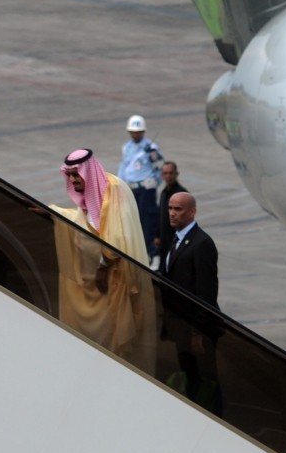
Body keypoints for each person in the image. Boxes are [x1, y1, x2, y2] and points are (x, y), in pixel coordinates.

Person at [48, 148, 157, 374]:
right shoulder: (92, 196)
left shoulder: (114, 190)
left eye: (77, 175)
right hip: (105, 287)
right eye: (70, 176)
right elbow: (84, 220)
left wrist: (104, 265)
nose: (73, 180)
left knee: (125, 345)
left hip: (120, 283)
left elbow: (118, 236)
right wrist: (52, 212)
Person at [160, 191, 221, 414]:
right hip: (179, 326)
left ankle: (212, 419)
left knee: (205, 380)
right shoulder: (174, 239)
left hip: (196, 329)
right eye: (170, 208)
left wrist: (198, 333)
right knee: (189, 375)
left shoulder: (202, 243)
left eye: (178, 209)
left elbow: (207, 292)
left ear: (192, 212)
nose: (172, 214)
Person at [117, 114, 163, 265]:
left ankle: (152, 253)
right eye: (132, 131)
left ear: (143, 132)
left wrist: (154, 183)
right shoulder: (127, 147)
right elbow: (124, 166)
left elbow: (159, 168)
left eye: (138, 131)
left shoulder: (151, 148)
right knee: (132, 220)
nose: (135, 134)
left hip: (145, 188)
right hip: (131, 188)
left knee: (148, 220)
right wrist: (119, 184)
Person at [154, 161, 188, 269]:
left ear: (176, 174)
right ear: (162, 175)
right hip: (164, 243)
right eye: (165, 173)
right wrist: (158, 235)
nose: (168, 176)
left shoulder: (182, 194)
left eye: (170, 173)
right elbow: (161, 217)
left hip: (176, 243)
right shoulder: (164, 193)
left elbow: (186, 220)